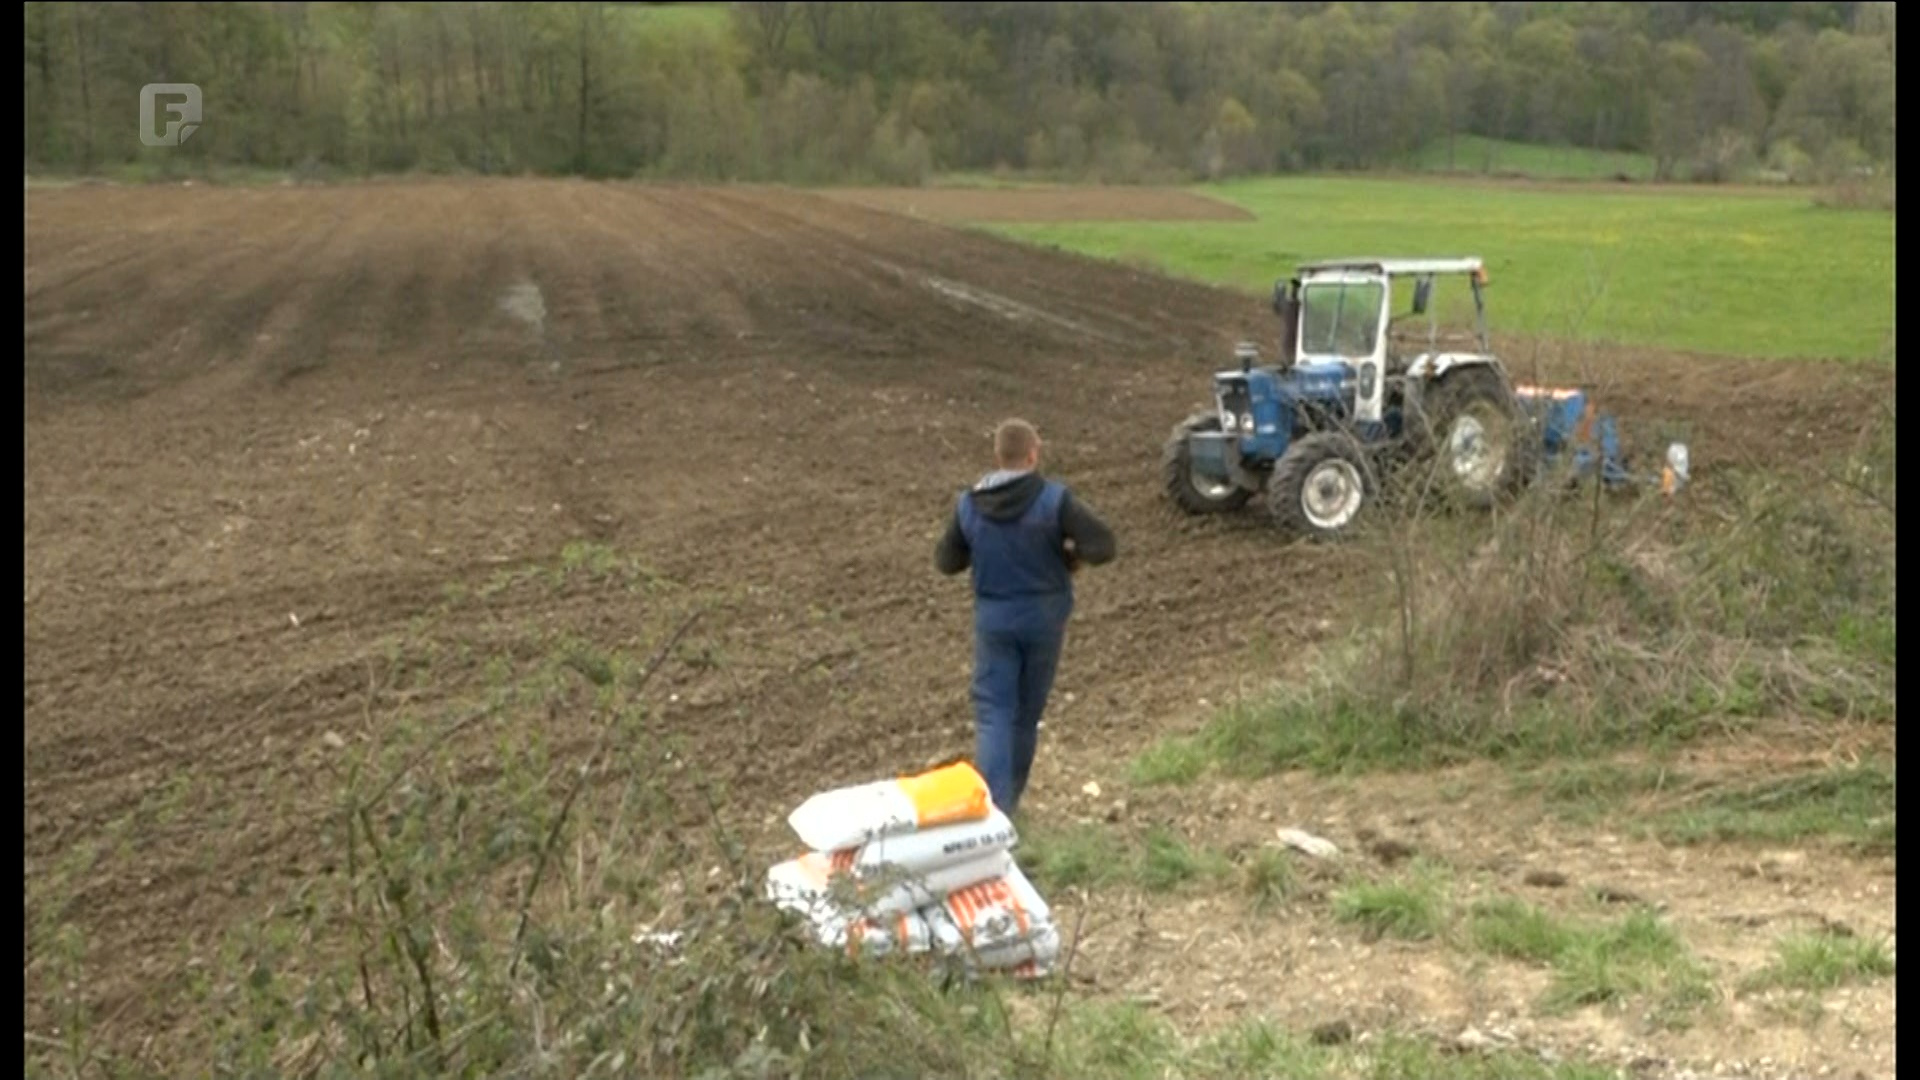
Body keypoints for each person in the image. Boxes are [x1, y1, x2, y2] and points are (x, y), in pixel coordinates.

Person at [935, 418, 1115, 817]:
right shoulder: (1055, 500)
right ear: (1033, 454)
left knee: (995, 711)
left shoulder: (969, 504)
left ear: (997, 457)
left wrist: (978, 548)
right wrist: (1070, 553)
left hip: (995, 618)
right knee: (1027, 712)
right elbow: (1104, 545)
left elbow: (946, 562)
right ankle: (1011, 802)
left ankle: (994, 811)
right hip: (1045, 617)